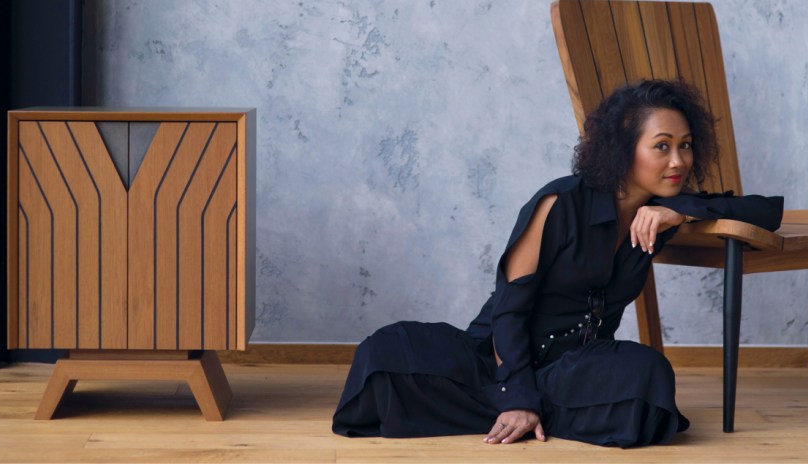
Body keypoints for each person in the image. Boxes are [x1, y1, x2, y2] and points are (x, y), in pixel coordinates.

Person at [331, 80, 784, 447]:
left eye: (685, 146)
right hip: (497, 360)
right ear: (623, 148)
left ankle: (516, 412)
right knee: (383, 354)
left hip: (576, 368)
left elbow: (765, 211)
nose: (678, 161)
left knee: (649, 375)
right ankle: (521, 410)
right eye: (661, 146)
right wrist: (517, 394)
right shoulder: (559, 203)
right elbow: (509, 312)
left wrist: (680, 211)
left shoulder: (662, 213)